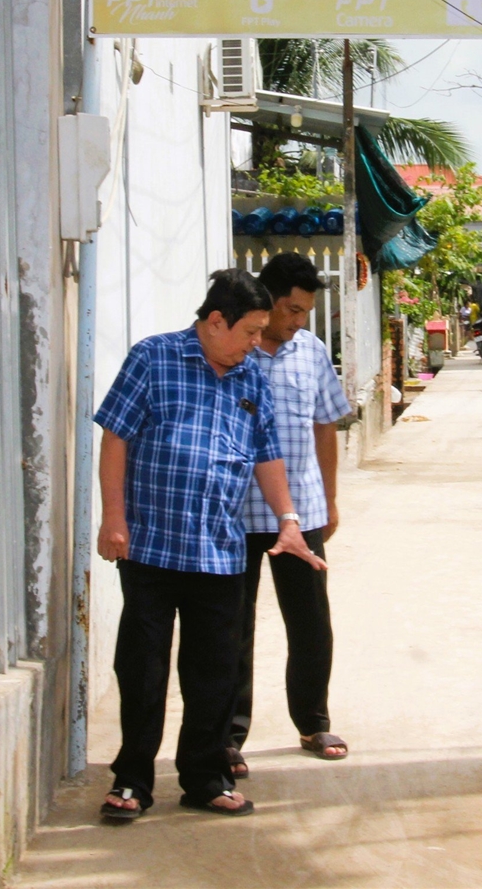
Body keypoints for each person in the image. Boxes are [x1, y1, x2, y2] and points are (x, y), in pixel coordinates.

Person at [93, 269, 326, 823]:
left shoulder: (249, 378)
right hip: (150, 546)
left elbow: (267, 454)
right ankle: (131, 781)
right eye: (248, 331)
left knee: (215, 671)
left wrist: (288, 520)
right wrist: (113, 518)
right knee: (144, 670)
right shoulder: (152, 358)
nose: (255, 344)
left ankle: (204, 776)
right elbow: (115, 437)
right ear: (215, 321)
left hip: (219, 548)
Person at [228, 253, 354, 777]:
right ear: (270, 300)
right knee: (233, 629)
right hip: (234, 514)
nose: (298, 320)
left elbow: (326, 425)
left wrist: (328, 498)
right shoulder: (234, 351)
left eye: (304, 312)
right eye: (292, 310)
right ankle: (229, 736)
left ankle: (313, 720)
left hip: (297, 516)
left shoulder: (312, 352)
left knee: (311, 623)